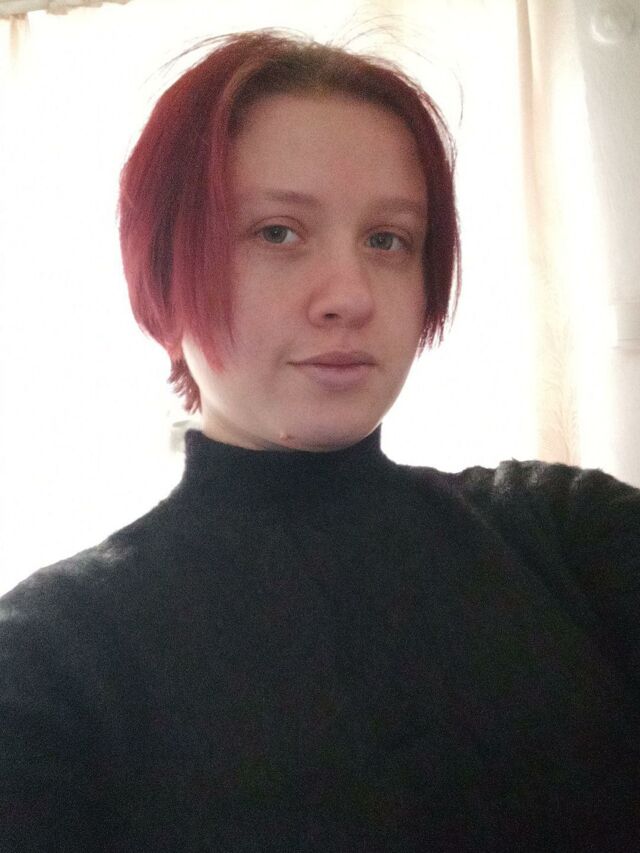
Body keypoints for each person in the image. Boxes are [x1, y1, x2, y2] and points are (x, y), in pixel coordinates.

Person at [1, 28, 638, 852]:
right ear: (165, 273)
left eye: (388, 239)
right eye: (277, 232)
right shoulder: (49, 659)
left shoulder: (561, 532)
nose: (350, 295)